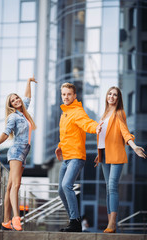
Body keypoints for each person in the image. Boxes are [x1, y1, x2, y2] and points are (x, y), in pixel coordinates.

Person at [94, 86, 146, 233]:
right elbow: (104, 137)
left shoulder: (119, 113)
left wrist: (134, 146)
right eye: (109, 93)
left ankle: (112, 223)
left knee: (112, 186)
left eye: (114, 95)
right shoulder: (103, 115)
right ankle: (110, 223)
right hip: (104, 154)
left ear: (118, 98)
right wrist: (99, 153)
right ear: (106, 96)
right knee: (108, 189)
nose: (111, 96)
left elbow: (125, 132)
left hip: (116, 154)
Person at [0, 76, 37, 231]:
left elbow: (28, 97)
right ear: (10, 105)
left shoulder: (23, 113)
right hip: (17, 150)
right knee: (16, 185)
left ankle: (5, 221)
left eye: (17, 97)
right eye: (13, 100)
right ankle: (16, 218)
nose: (16, 100)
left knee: (10, 186)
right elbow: (6, 132)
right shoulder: (13, 116)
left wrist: (28, 82)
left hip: (24, 152)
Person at [55, 82, 102, 232]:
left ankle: (75, 221)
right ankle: (73, 221)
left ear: (75, 96)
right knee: (61, 191)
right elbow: (66, 135)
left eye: (69, 94)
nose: (66, 97)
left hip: (76, 156)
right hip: (67, 157)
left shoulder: (77, 111)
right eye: (64, 94)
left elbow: (87, 123)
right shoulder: (64, 113)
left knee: (66, 185)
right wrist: (60, 147)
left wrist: (96, 127)